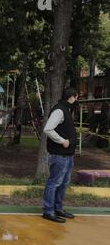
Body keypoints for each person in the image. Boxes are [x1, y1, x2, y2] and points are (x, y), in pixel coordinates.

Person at [42, 88, 78, 223]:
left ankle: (58, 208)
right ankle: (48, 211)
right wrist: (62, 141)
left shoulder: (66, 110)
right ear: (73, 97)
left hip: (68, 155)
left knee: (63, 183)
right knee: (54, 183)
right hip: (59, 155)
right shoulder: (59, 110)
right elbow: (48, 129)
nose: (77, 101)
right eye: (76, 98)